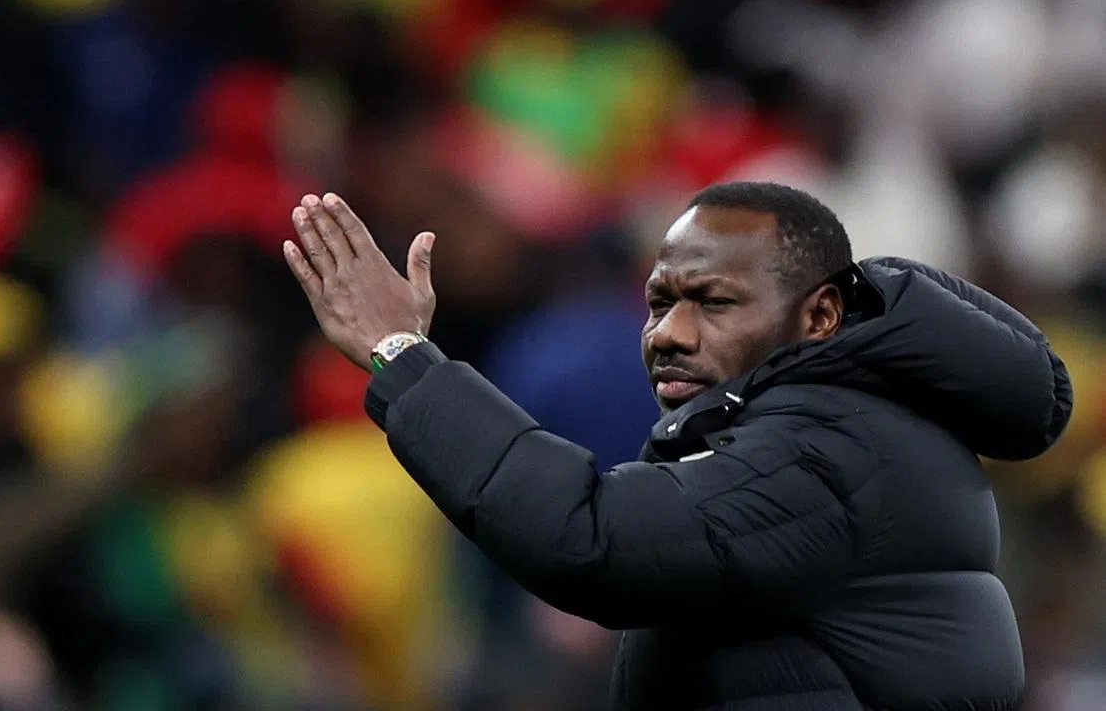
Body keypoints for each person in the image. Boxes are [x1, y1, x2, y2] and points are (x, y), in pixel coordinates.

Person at [283, 182, 1074, 711]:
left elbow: (589, 539)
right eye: (659, 303)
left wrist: (402, 355)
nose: (670, 333)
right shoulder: (852, 426)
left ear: (821, 316)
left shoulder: (828, 450)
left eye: (714, 303)